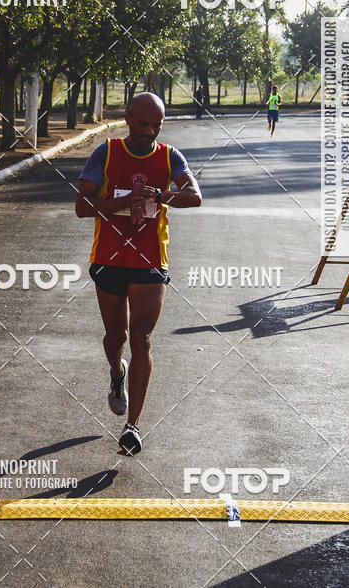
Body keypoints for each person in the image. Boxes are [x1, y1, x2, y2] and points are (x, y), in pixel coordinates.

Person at [75, 92, 202, 454]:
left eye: (157, 125)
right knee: (115, 336)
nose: (150, 132)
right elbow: (81, 207)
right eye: (143, 124)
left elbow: (194, 196)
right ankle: (118, 372)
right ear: (128, 118)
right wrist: (124, 200)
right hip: (109, 258)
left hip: (149, 261)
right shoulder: (107, 153)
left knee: (142, 338)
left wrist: (159, 196)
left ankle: (132, 427)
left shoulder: (170, 156)